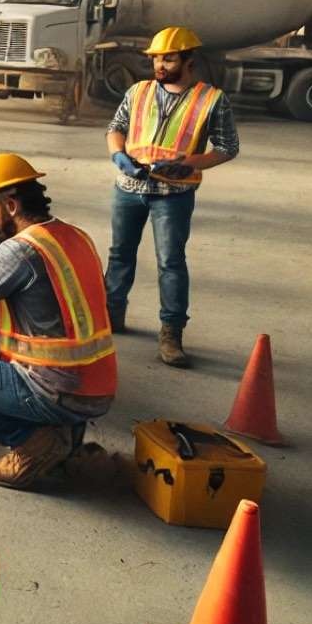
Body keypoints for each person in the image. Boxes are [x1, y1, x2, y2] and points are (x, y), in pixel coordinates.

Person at [0, 154, 117, 490]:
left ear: (10, 205)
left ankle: (32, 446)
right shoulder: (73, 235)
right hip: (97, 385)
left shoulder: (22, 251)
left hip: (56, 389)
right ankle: (61, 434)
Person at [104, 26, 238, 368]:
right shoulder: (139, 91)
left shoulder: (211, 99)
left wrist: (191, 163)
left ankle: (171, 334)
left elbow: (227, 147)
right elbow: (115, 128)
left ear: (189, 59)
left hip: (173, 195)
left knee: (171, 262)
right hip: (129, 188)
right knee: (120, 254)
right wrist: (118, 155)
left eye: (168, 58)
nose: (159, 65)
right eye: (156, 59)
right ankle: (111, 315)